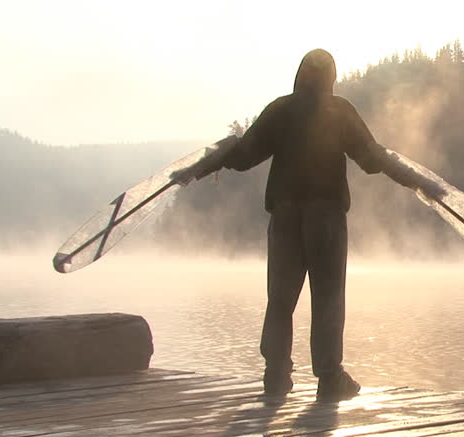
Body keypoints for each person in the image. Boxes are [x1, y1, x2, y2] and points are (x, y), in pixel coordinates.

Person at [173, 49, 418, 401]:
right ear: (330, 79)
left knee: (280, 299)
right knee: (329, 297)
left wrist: (215, 160)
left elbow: (243, 157)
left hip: (285, 216)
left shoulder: (280, 110)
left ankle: (275, 378)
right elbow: (369, 157)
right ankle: (330, 378)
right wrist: (406, 175)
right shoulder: (339, 110)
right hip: (326, 219)